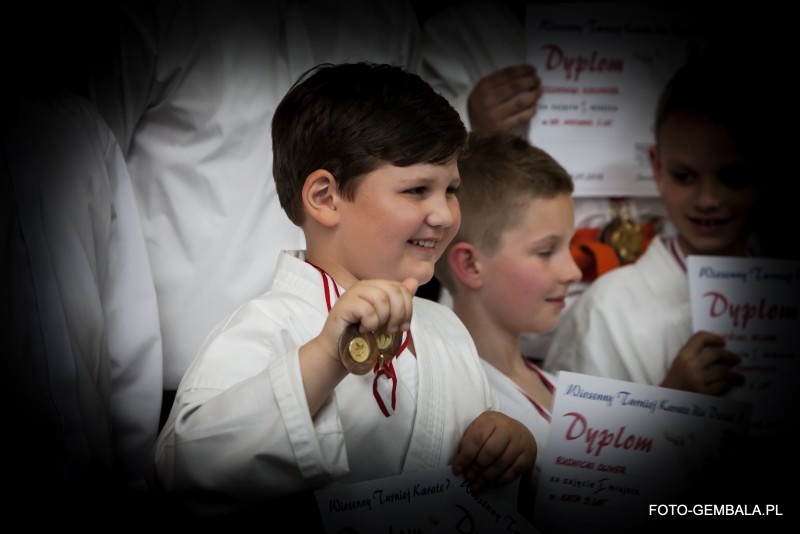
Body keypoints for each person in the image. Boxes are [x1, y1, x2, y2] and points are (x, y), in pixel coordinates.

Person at [150, 62, 537, 520]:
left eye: (450, 189)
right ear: (325, 198)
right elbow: (184, 470)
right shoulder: (266, 327)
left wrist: (505, 441)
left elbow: (481, 458)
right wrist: (326, 356)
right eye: (417, 190)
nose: (445, 215)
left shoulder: (445, 327)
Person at [416, 0, 670, 356]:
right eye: (548, 251)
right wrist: (467, 116)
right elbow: (406, 152)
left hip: (642, 295)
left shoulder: (658, 28)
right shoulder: (462, 29)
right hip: (493, 306)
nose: (572, 271)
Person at [543, 53, 761, 395]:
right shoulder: (605, 312)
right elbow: (569, 429)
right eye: (684, 176)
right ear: (657, 168)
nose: (707, 199)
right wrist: (674, 399)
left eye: (732, 177)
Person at [434, 131, 581, 509]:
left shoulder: (560, 389)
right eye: (546, 251)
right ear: (471, 265)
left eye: (569, 247)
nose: (573, 272)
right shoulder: (457, 407)